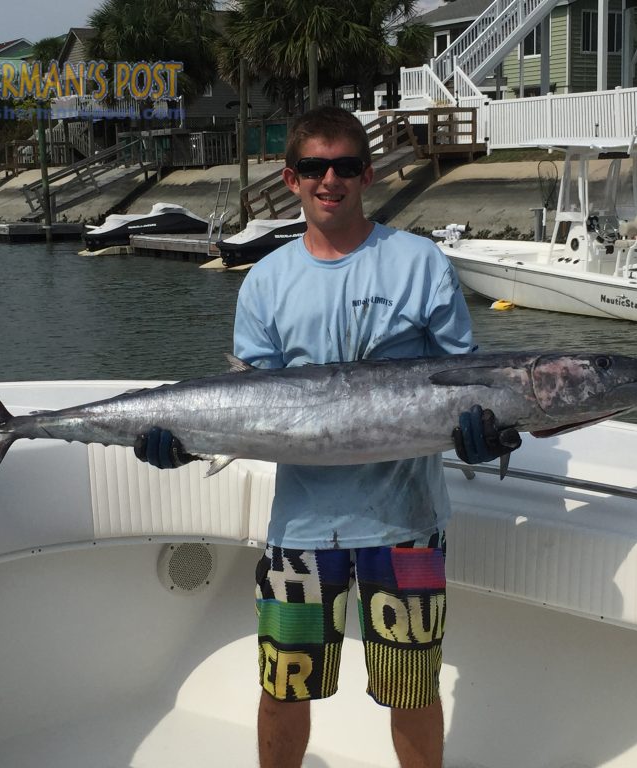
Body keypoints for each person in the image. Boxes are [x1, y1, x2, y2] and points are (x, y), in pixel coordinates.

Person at [134, 106, 520, 768]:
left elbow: (470, 381)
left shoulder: (420, 263)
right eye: (314, 167)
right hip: (302, 531)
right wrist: (183, 439)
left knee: (413, 690)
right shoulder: (266, 283)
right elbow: (249, 407)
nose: (330, 179)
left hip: (406, 524)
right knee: (284, 689)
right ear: (291, 178)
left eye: (345, 166)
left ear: (367, 173)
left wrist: (493, 435)